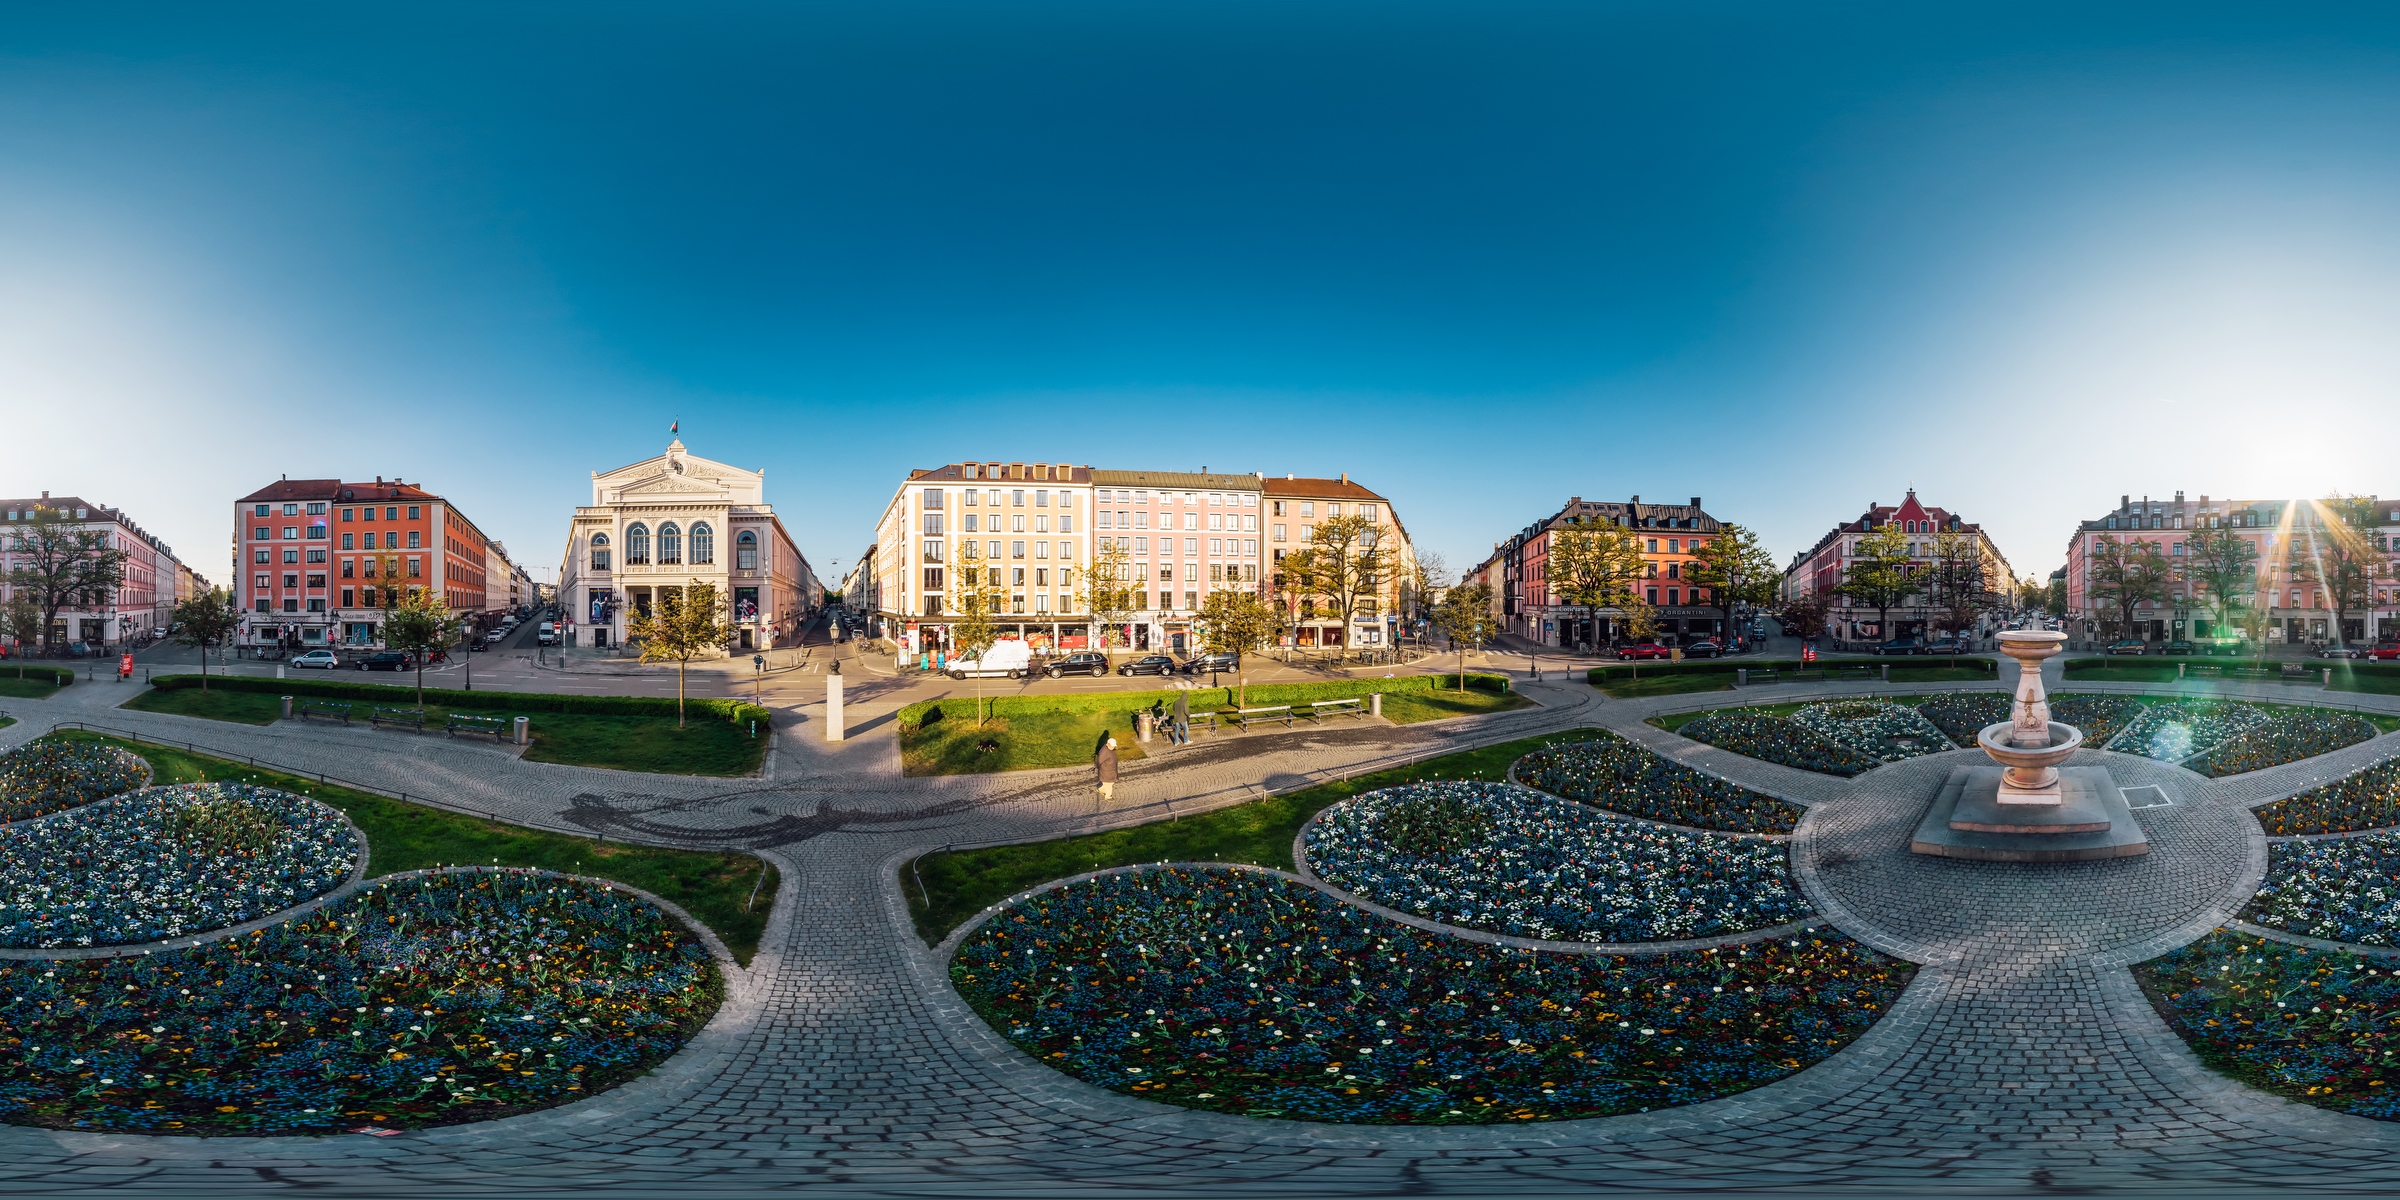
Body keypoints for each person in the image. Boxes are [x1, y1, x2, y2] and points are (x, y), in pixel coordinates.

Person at [1094, 736, 1119, 802]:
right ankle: (1108, 796)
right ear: (1107, 744)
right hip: (1106, 771)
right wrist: (1097, 767)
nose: (1113, 747)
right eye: (1112, 746)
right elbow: (1099, 761)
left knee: (1109, 782)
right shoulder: (1104, 751)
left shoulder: (1109, 749)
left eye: (1113, 746)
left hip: (1110, 770)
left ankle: (1100, 789)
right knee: (1109, 784)